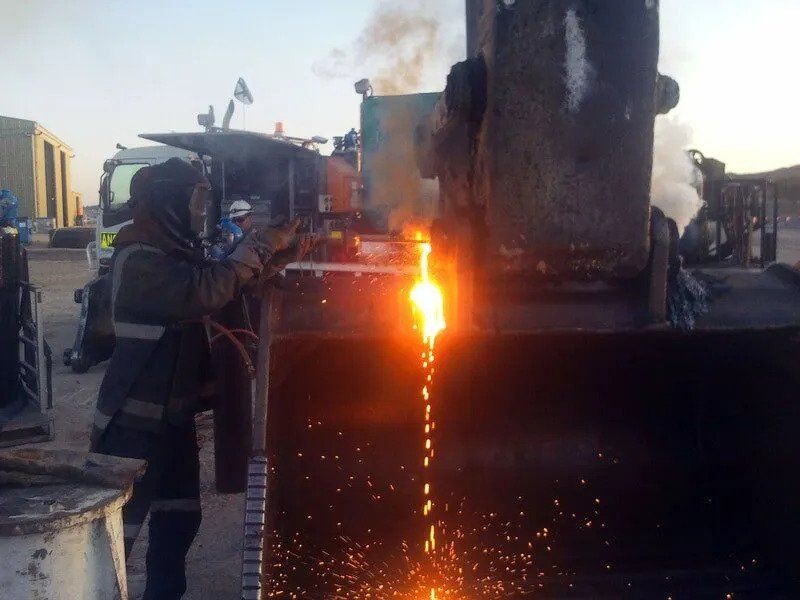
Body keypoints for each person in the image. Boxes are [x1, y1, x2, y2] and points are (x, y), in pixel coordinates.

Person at [89, 158, 300, 599]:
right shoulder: (138, 258)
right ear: (167, 203)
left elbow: (225, 285)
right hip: (132, 426)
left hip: (172, 422)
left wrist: (278, 254)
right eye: (194, 201)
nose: (199, 211)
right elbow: (203, 292)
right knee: (118, 533)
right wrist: (258, 246)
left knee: (179, 520)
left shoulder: (174, 254)